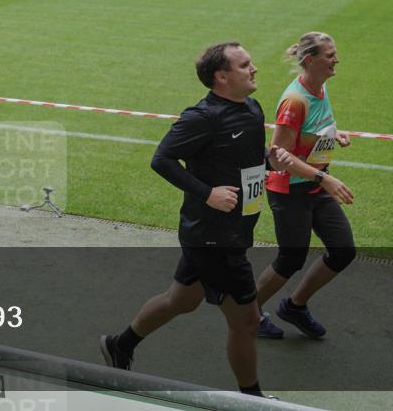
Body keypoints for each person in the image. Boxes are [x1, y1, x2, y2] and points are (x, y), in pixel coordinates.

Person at [100, 41, 291, 396]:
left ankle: (120, 344)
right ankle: (251, 400)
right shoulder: (201, 118)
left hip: (232, 228)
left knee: (181, 300)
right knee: (247, 322)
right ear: (221, 77)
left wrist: (269, 160)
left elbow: (244, 158)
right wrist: (208, 193)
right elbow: (162, 159)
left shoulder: (251, 108)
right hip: (214, 236)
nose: (254, 69)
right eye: (245, 64)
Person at [255, 32, 355, 340]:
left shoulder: (319, 87)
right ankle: (247, 315)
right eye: (329, 55)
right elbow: (278, 158)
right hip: (291, 190)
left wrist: (333, 135)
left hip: (314, 185)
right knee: (291, 258)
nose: (336, 59)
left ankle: (295, 306)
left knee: (342, 251)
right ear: (310, 60)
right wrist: (325, 178)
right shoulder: (294, 101)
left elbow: (319, 123)